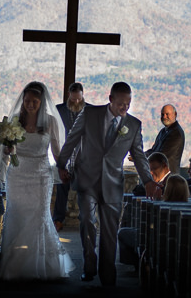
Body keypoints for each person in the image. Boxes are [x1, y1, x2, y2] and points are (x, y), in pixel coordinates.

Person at [59, 81, 152, 286]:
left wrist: (149, 181)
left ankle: (107, 273)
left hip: (112, 183)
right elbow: (72, 139)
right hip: (87, 179)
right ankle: (88, 264)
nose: (125, 108)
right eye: (121, 104)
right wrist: (60, 164)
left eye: (128, 104)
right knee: (87, 222)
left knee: (110, 231)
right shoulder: (90, 114)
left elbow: (139, 156)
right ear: (110, 99)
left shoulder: (133, 125)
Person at [0, 82, 74, 281]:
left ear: (41, 102)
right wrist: (8, 149)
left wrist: (63, 167)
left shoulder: (50, 122)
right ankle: (15, 264)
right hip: (18, 174)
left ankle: (41, 263)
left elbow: (56, 150)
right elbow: (6, 150)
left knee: (39, 217)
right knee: (17, 216)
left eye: (34, 102)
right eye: (27, 101)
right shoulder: (14, 121)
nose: (30, 105)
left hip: (41, 174)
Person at [52, 82, 86, 230]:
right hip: (64, 155)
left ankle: (85, 219)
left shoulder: (90, 110)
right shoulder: (58, 110)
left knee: (85, 190)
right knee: (62, 187)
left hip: (83, 156)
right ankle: (58, 220)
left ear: (83, 95)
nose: (76, 102)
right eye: (73, 99)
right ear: (68, 96)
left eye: (79, 99)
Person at [148, 104, 186, 174]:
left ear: (175, 114)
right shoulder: (163, 131)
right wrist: (140, 155)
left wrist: (141, 158)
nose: (164, 117)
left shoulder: (176, 133)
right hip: (159, 175)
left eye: (167, 114)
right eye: (162, 114)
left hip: (169, 177)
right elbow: (154, 150)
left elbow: (162, 155)